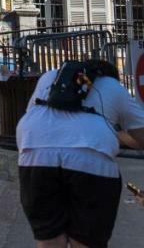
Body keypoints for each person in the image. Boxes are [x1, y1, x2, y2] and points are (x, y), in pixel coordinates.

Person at [17, 59, 144, 248]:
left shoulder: (48, 78)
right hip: (91, 158)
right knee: (86, 241)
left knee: (49, 239)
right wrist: (118, 136)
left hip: (35, 152)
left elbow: (32, 113)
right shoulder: (113, 86)